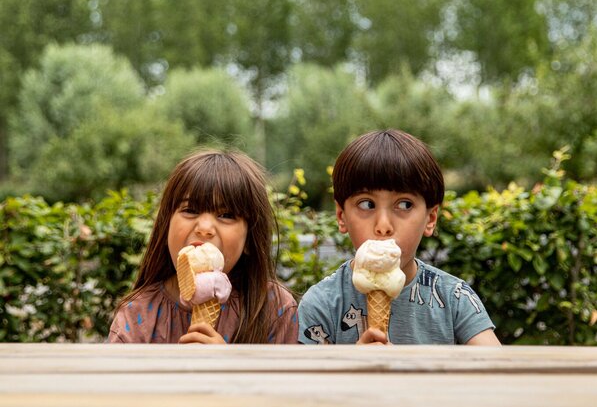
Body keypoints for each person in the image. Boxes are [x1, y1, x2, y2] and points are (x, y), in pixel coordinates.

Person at [298, 129, 500, 346]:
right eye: (367, 204)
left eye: (404, 204)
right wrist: (351, 365)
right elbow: (305, 379)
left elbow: (499, 372)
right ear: (341, 216)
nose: (383, 226)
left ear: (430, 218)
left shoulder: (454, 298)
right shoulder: (321, 303)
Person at [108, 149, 298, 344]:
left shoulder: (276, 309)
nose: (205, 228)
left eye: (226, 215)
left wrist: (226, 367)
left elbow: (284, 375)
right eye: (190, 210)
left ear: (249, 238)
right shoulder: (135, 314)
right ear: (166, 226)